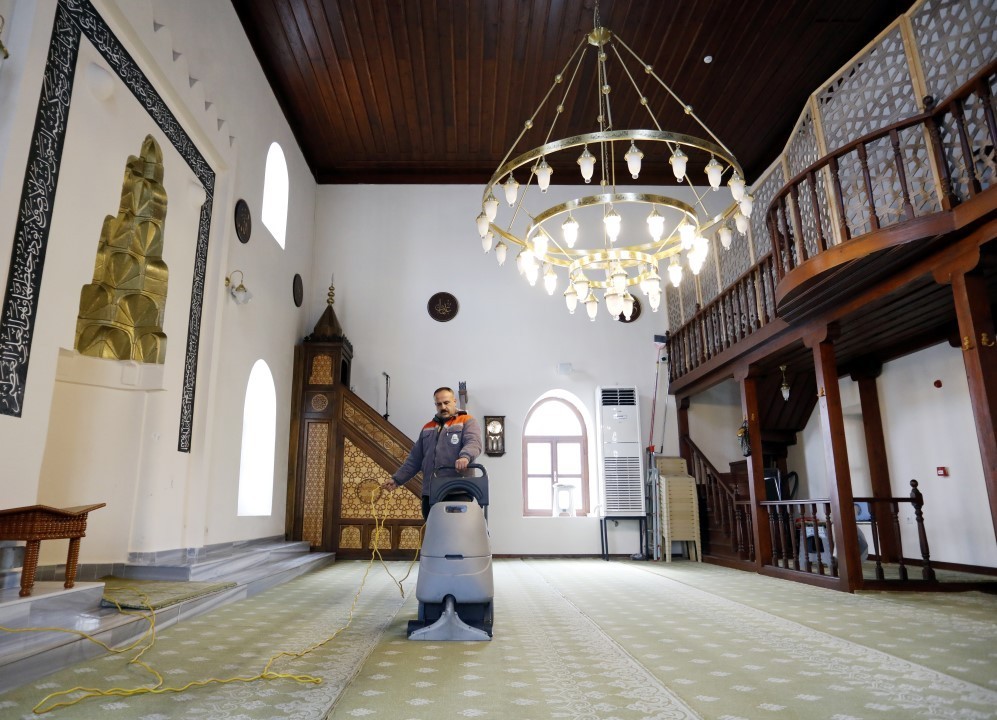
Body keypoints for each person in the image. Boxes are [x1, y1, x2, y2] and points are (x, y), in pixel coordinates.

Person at [382, 386, 482, 518]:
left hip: (458, 491)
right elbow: (414, 460)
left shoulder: (467, 421)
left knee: (456, 530)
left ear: (454, 401)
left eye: (446, 402)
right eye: (439, 404)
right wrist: (396, 480)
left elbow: (474, 442)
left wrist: (465, 457)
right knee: (432, 530)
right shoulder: (427, 428)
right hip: (431, 493)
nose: (443, 407)